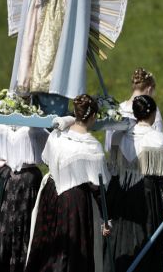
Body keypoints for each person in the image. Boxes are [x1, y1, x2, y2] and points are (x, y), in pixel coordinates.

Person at [25, 94, 110, 272]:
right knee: (71, 251)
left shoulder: (57, 136)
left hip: (51, 191)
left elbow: (47, 159)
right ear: (93, 116)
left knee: (49, 245)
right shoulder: (93, 147)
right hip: (74, 202)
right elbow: (98, 186)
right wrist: (105, 219)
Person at [105, 95, 163, 272]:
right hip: (146, 196)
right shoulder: (157, 139)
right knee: (147, 237)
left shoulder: (119, 136)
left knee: (122, 236)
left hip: (122, 191)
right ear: (152, 113)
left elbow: (114, 171)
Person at [0, 120, 49, 272]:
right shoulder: (0, 126)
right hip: (7, 178)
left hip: (27, 181)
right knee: (4, 225)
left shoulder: (35, 127)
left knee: (26, 222)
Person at [105, 68, 163, 151]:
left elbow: (108, 146)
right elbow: (159, 142)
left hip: (119, 160)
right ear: (149, 89)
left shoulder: (117, 110)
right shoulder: (152, 110)